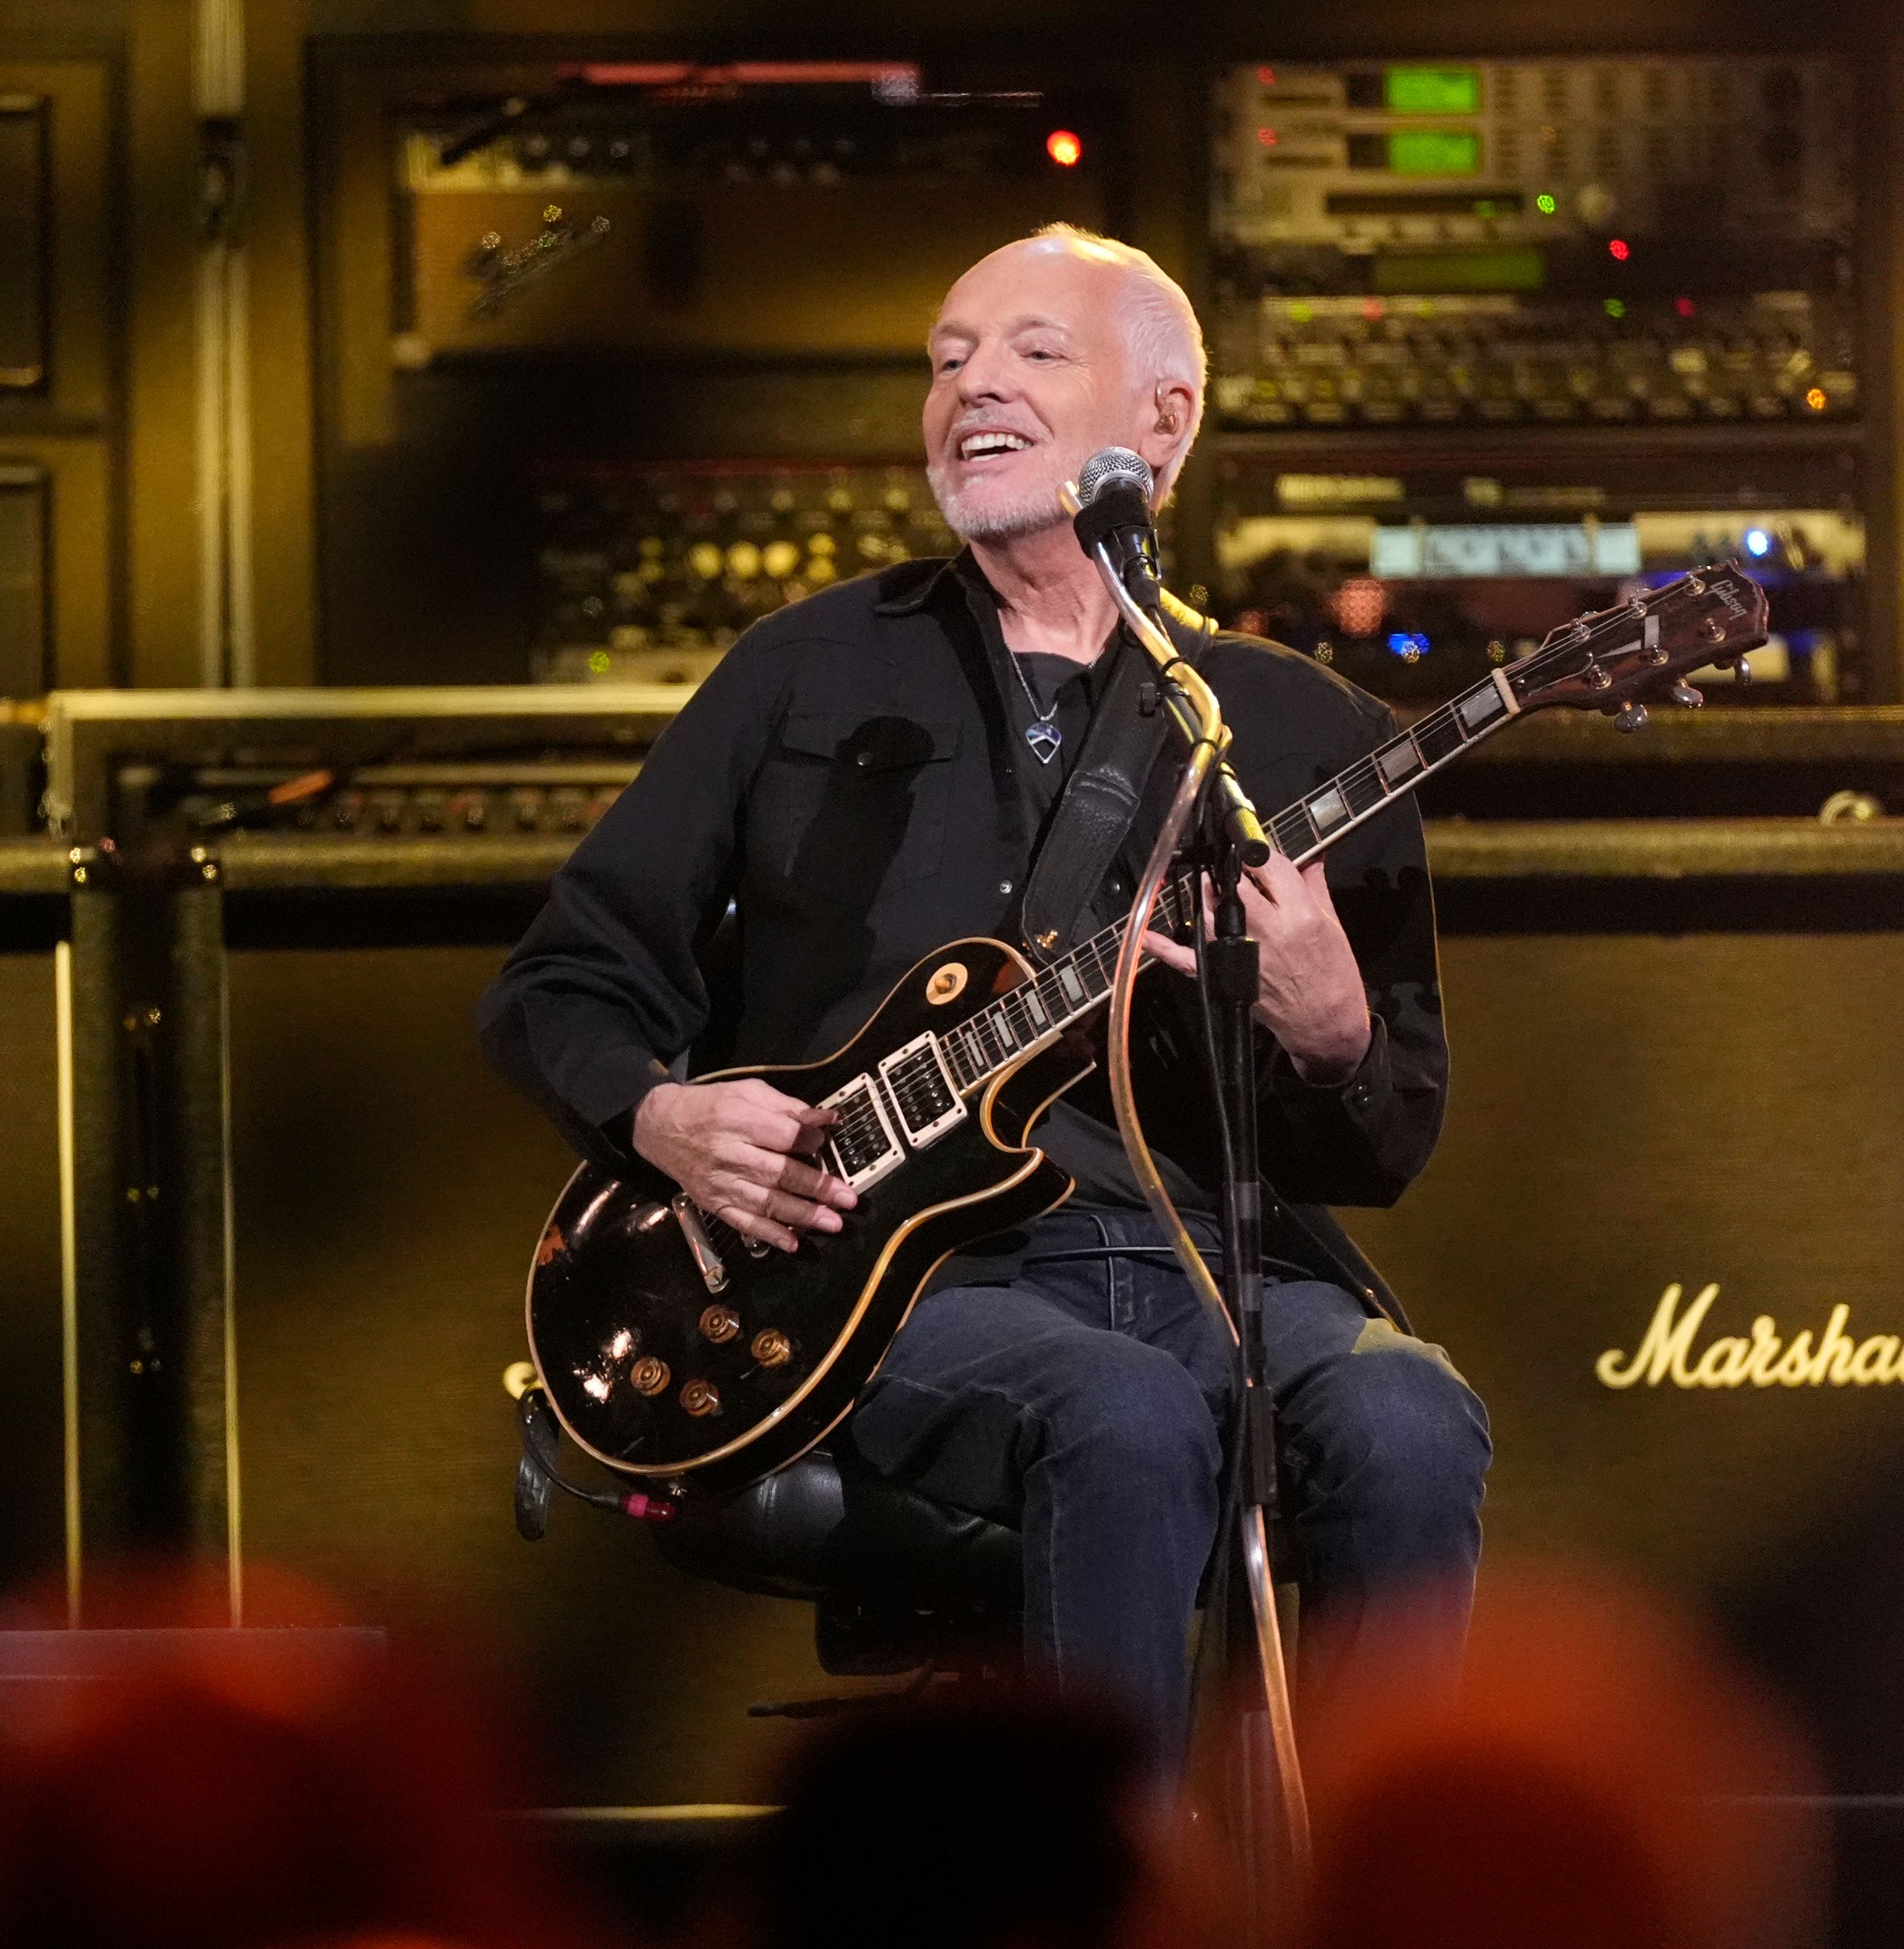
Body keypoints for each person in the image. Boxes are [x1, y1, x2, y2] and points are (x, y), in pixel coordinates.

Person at [477, 225, 1490, 1775]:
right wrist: (665, 1112)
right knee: (1124, 1413)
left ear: (1163, 424)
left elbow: (1386, 1140)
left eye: (1030, 351)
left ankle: (1384, 1881)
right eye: (946, 358)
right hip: (897, 1287)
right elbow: (565, 978)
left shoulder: (1295, 731)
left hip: (1207, 1257)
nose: (970, 386)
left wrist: (1333, 1026)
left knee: (1410, 1416)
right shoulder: (804, 672)